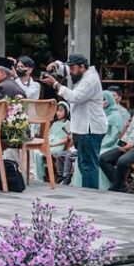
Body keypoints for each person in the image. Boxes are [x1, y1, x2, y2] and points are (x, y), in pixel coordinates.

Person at [42, 54, 107, 189]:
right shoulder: (83, 73)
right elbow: (67, 70)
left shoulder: (89, 80)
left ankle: (91, 194)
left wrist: (55, 84)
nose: (70, 71)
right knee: (84, 164)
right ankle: (88, 192)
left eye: (73, 68)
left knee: (88, 165)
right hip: (83, 128)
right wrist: (57, 65)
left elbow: (74, 97)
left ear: (82, 67)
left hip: (90, 129)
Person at [45, 102, 74, 183]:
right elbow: (49, 135)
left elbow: (66, 139)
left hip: (59, 145)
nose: (58, 113)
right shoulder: (54, 123)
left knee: (46, 152)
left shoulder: (68, 123)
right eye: (57, 111)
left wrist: (53, 144)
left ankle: (58, 175)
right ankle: (41, 175)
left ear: (66, 112)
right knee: (36, 152)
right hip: (51, 143)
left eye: (61, 111)